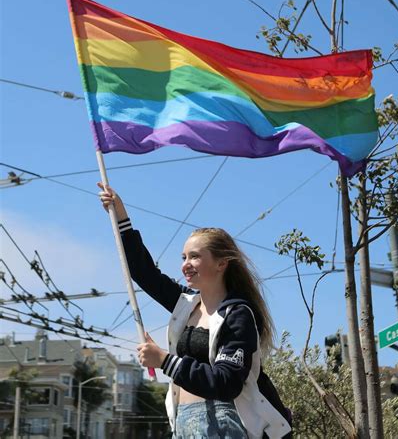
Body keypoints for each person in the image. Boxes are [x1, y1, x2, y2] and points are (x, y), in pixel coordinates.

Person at [98, 183, 292, 439]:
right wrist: (120, 216)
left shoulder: (238, 315)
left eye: (195, 257)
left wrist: (165, 360)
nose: (185, 265)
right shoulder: (186, 304)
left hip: (226, 423)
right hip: (184, 421)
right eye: (183, 257)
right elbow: (143, 273)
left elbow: (226, 382)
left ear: (222, 263)